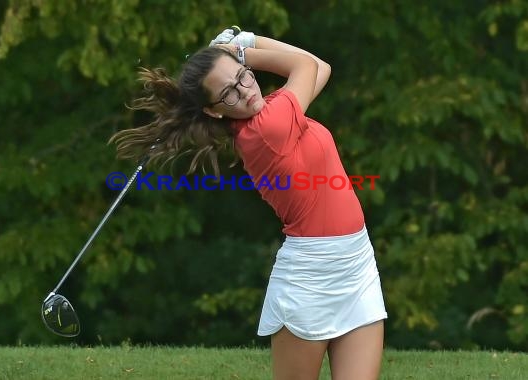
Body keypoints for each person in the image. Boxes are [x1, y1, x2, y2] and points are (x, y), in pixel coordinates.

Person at [110, 27, 388, 380]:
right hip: (310, 277)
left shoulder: (272, 109)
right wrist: (241, 52)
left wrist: (247, 43)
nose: (244, 90)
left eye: (243, 78)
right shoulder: (267, 128)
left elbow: (322, 67)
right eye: (228, 92)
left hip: (356, 262)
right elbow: (304, 64)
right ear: (212, 111)